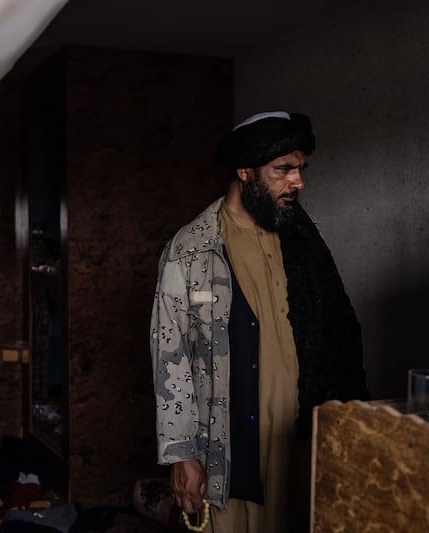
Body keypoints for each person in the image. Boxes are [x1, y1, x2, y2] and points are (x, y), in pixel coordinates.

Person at [149, 111, 370, 532]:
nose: (297, 182)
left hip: (302, 447)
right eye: (282, 170)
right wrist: (181, 454)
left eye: (300, 169)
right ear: (245, 171)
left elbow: (338, 336)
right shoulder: (193, 249)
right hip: (227, 453)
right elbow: (169, 355)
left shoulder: (303, 239)